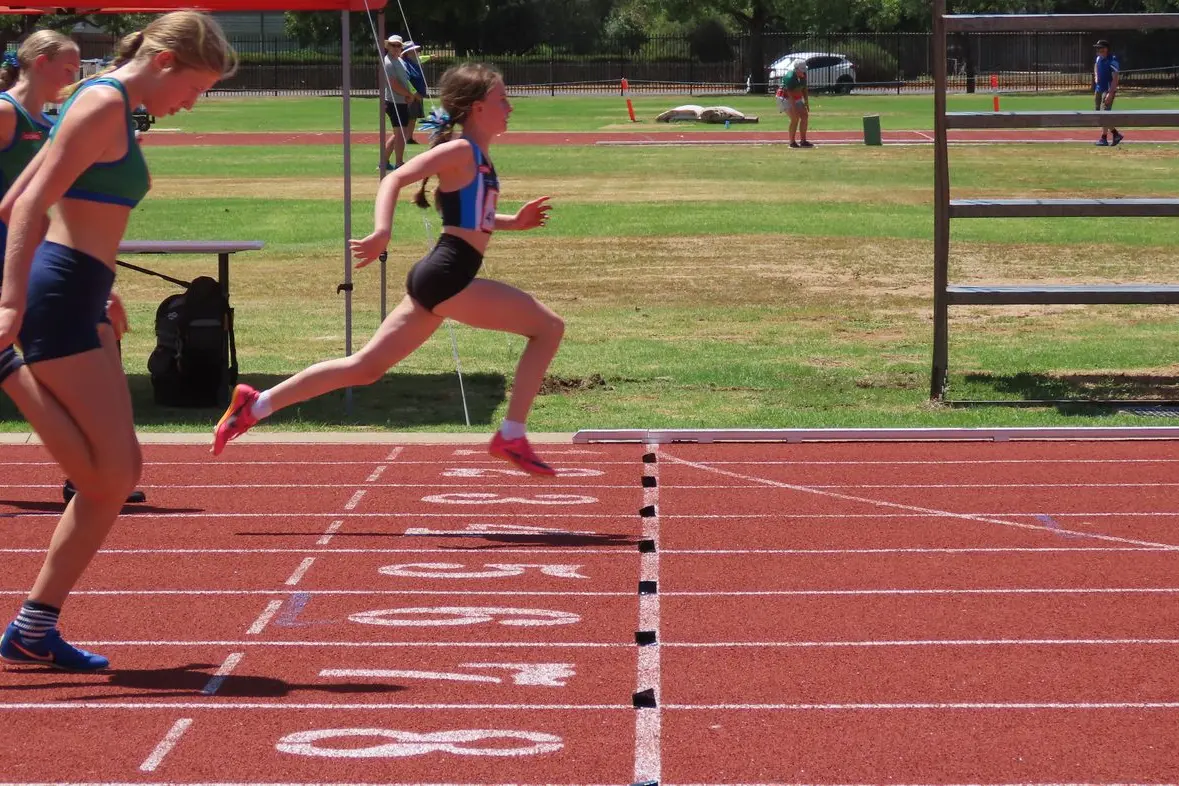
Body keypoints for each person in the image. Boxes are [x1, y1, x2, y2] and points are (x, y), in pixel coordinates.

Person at [0, 11, 237, 671]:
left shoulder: (108, 105)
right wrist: (12, 301)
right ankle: (6, 367)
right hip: (59, 296)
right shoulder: (103, 104)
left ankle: (33, 628)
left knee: (117, 476)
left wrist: (98, 281)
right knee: (105, 477)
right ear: (164, 61)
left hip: (80, 289)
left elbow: (22, 199)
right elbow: (26, 205)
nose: (191, 103)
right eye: (194, 88)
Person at [213, 63, 563, 477]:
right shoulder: (460, 150)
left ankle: (255, 405)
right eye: (502, 99)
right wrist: (382, 232)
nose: (510, 107)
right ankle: (511, 434)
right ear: (477, 108)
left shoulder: (477, 155)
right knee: (548, 328)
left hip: (440, 278)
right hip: (448, 276)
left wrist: (513, 222)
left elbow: (471, 219)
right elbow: (393, 179)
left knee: (364, 368)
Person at [0, 32, 146, 507]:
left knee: (79, 351)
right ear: (40, 63)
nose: (75, 75)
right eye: (68, 66)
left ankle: (89, 473)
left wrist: (100, 285)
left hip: (43, 261)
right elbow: (17, 205)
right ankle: (94, 473)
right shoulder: (5, 113)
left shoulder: (53, 123)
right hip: (12, 260)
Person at [382, 35, 420, 172]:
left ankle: (384, 162)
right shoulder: (388, 62)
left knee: (399, 133)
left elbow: (406, 79)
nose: (396, 48)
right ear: (388, 46)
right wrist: (409, 94)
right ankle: (398, 162)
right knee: (400, 134)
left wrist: (411, 93)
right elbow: (394, 84)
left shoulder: (398, 60)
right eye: (393, 45)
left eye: (398, 45)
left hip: (401, 100)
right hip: (394, 101)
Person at [1093, 39, 1123, 147]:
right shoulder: (1098, 58)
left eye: (1100, 48)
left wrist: (1110, 93)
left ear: (1105, 49)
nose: (1097, 50)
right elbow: (1096, 66)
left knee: (1104, 114)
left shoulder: (1112, 60)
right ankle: (1115, 134)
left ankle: (1104, 138)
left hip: (1108, 90)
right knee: (1098, 114)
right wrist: (1096, 76)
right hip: (1099, 89)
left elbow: (1115, 79)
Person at [401, 41, 428, 144]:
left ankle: (409, 137)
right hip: (411, 95)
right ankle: (404, 137)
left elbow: (423, 58)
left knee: (413, 117)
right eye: (414, 50)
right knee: (408, 117)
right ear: (408, 52)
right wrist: (414, 93)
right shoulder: (405, 64)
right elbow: (405, 79)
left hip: (417, 95)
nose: (417, 52)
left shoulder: (415, 62)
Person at [781, 59, 812, 148]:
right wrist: (794, 108)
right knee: (795, 118)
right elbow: (789, 93)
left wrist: (806, 102)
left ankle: (803, 141)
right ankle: (792, 142)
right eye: (801, 70)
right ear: (796, 69)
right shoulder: (790, 77)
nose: (803, 72)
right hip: (785, 97)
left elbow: (804, 89)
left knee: (805, 116)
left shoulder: (803, 75)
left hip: (796, 97)